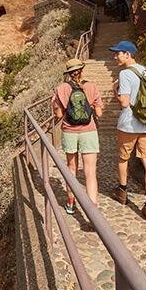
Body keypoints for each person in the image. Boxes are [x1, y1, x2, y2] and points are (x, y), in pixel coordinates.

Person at [109, 40, 146, 222]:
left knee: (123, 158)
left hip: (129, 124)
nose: (115, 57)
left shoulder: (126, 74)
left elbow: (124, 102)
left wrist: (115, 89)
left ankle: (122, 191)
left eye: (118, 53)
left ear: (127, 54)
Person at [52, 58, 103, 214]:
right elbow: (99, 114)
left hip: (69, 132)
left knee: (71, 169)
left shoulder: (61, 89)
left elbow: (59, 114)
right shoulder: (92, 87)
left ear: (68, 73)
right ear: (82, 70)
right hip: (89, 132)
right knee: (90, 172)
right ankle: (92, 209)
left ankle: (71, 203)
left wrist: (57, 104)